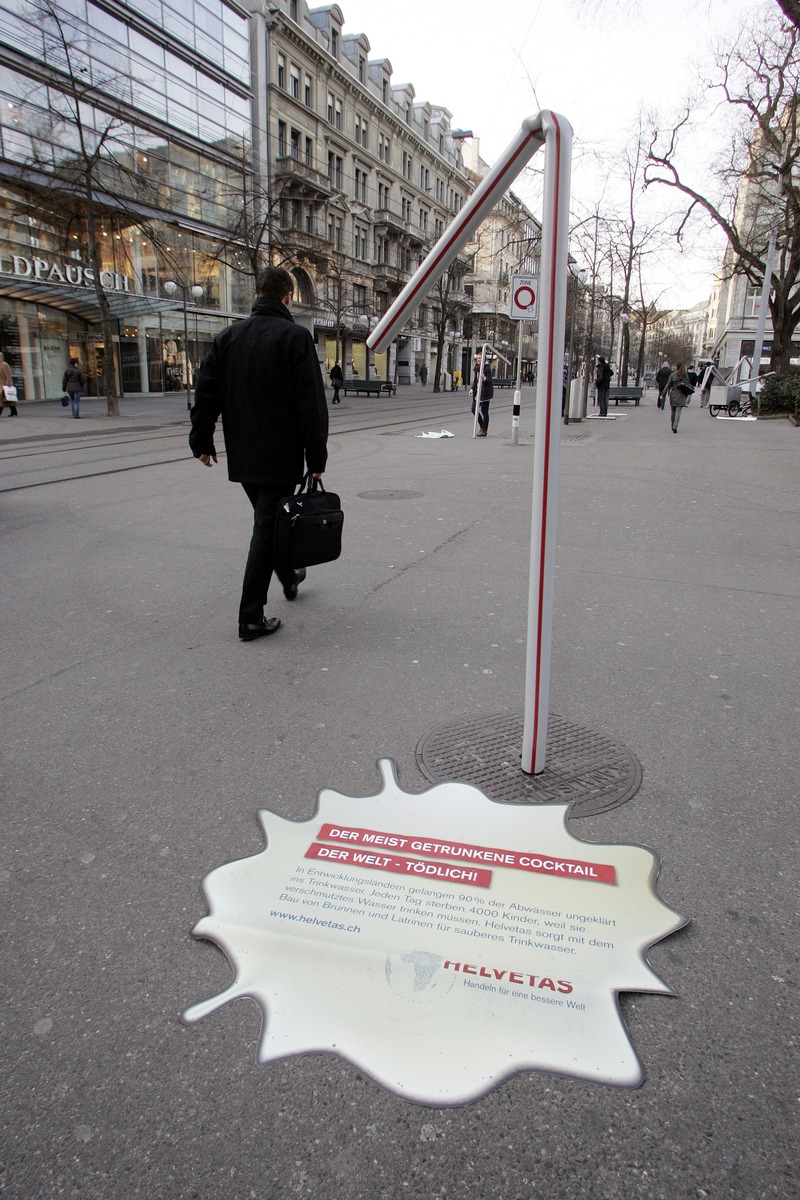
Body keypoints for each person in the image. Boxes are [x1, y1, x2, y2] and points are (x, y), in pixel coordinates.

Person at [189, 265, 328, 642]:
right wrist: (317, 460)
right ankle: (250, 617)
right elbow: (311, 405)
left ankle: (288, 575)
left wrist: (201, 440)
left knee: (269, 522)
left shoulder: (228, 338)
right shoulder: (295, 338)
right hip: (281, 458)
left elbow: (206, 395)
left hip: (243, 458)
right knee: (266, 527)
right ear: (287, 297)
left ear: (257, 294)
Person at [469, 353, 493, 436]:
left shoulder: (487, 368)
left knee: (484, 411)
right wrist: (472, 389)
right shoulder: (477, 367)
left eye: (480, 358)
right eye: (477, 358)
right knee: (473, 409)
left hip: (485, 393)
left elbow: (490, 381)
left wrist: (484, 378)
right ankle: (482, 426)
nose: (478, 360)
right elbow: (475, 380)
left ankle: (484, 430)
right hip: (477, 393)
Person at [666, 362, 693, 433]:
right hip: (681, 394)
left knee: (673, 411)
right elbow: (688, 384)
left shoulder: (672, 374)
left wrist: (663, 393)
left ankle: (672, 425)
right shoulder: (685, 375)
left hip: (674, 393)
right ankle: (675, 426)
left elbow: (668, 384)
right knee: (678, 411)